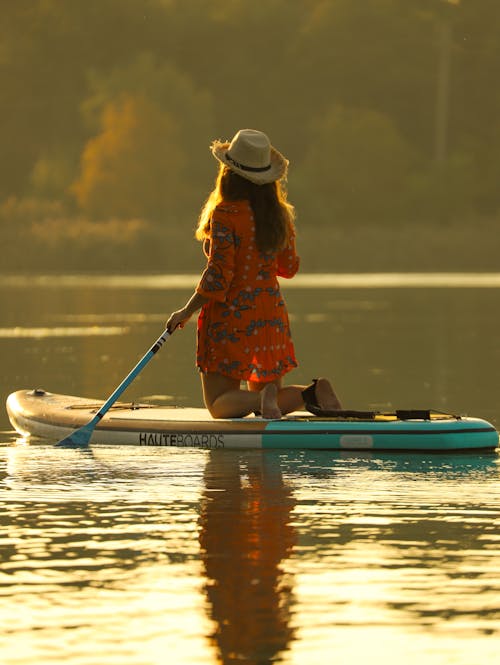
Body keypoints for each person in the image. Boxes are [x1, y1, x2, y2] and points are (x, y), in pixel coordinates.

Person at [166, 128, 341, 419]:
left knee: (219, 404)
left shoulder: (225, 214)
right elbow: (289, 267)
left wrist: (185, 311)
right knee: (265, 401)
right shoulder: (278, 215)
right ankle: (308, 394)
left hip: (232, 319)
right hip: (269, 317)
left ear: (228, 173)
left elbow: (220, 275)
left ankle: (261, 401)